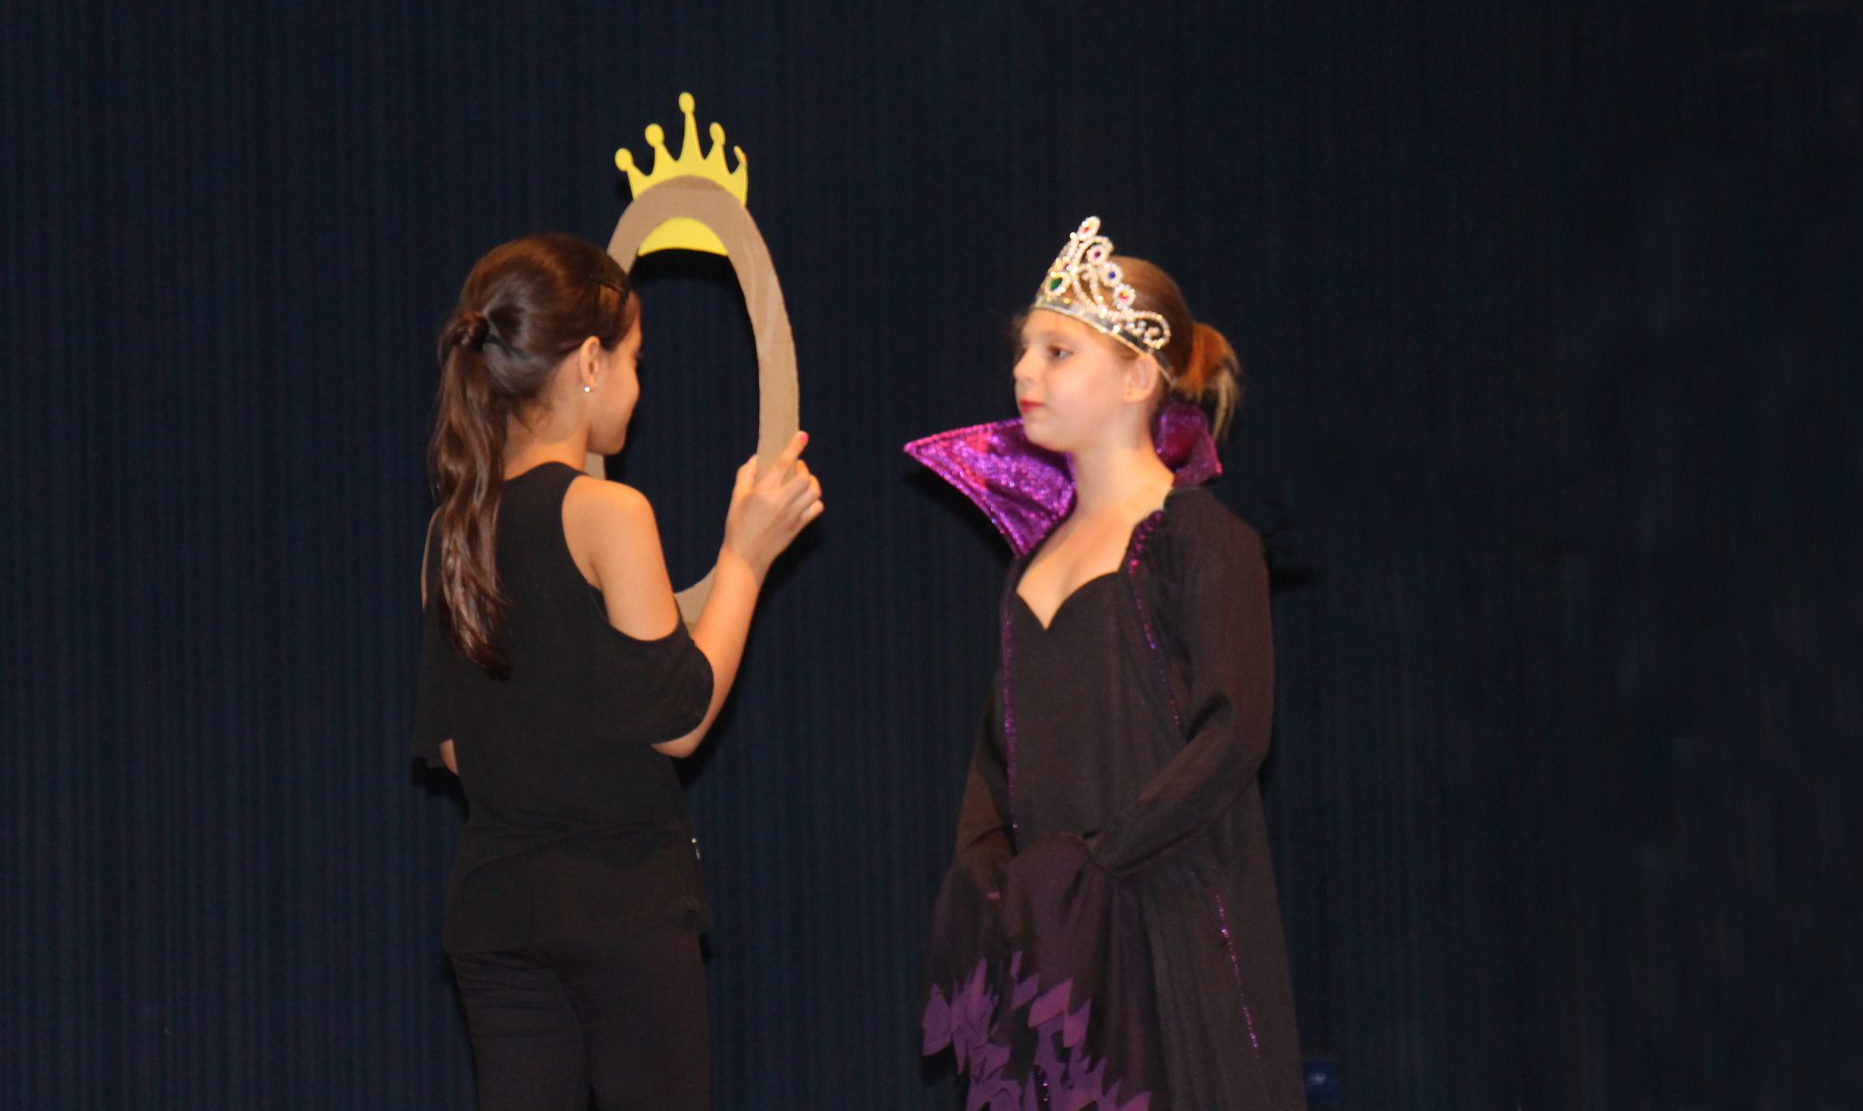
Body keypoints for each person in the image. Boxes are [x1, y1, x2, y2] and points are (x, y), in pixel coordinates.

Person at [412, 234, 823, 1111]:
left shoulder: (452, 531)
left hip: (494, 913)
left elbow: (452, 748)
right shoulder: (607, 511)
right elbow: (677, 720)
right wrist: (745, 557)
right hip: (621, 904)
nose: (638, 382)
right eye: (635, 359)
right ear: (590, 363)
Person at [909, 217, 1305, 1109]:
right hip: (1062, 938)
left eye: (1057, 352)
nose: (1025, 372)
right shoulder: (1031, 564)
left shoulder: (1199, 539)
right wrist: (989, 871)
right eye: (1024, 351)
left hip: (1171, 924)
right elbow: (998, 751)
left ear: (1137, 377)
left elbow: (1233, 731)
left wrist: (1101, 860)